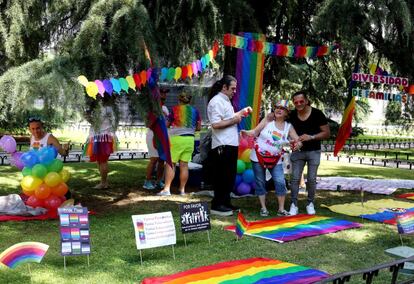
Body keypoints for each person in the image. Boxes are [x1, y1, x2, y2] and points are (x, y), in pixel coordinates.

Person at [241, 100, 301, 217]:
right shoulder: (267, 121)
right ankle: (263, 208)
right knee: (260, 182)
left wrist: (297, 144)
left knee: (280, 181)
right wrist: (246, 132)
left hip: (275, 159)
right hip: (258, 156)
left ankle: (281, 209)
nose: (278, 110)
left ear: (286, 113)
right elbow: (255, 132)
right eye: (277, 107)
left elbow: (297, 141)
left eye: (282, 108)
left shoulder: (288, 127)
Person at [207, 75, 252, 217]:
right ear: (224, 87)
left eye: (235, 88)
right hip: (222, 145)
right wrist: (234, 120)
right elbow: (216, 124)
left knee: (229, 176)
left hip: (230, 144)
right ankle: (217, 204)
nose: (234, 91)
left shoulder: (226, 101)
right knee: (222, 176)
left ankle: (226, 203)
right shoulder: (216, 101)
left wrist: (242, 112)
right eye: (232, 88)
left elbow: (229, 118)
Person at [288, 91, 330, 215]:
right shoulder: (292, 114)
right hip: (298, 152)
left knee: (311, 179)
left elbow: (327, 133)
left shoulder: (317, 113)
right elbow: (285, 128)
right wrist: (290, 140)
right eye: (296, 102)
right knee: (294, 179)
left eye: (301, 101)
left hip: (314, 151)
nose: (299, 104)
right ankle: (293, 204)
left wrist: (311, 137)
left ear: (306, 101)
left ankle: (310, 203)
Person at [157, 91, 201, 196]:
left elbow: (167, 124)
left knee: (170, 164)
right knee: (184, 165)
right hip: (190, 140)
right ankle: (182, 190)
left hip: (176, 139)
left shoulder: (174, 110)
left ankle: (166, 189)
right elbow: (198, 128)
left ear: (179, 100)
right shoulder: (196, 111)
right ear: (190, 100)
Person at [84, 99, 118, 189]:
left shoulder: (104, 109)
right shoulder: (109, 108)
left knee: (102, 161)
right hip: (104, 137)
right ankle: (103, 182)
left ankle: (104, 183)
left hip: (101, 138)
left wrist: (87, 117)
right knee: (101, 161)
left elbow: (96, 123)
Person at [143, 87, 170, 190]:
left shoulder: (165, 108)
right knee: (154, 159)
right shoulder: (152, 108)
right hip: (153, 135)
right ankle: (147, 181)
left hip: (163, 135)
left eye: (165, 93)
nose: (164, 95)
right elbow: (148, 124)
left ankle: (159, 181)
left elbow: (167, 124)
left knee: (162, 160)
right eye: (162, 92)